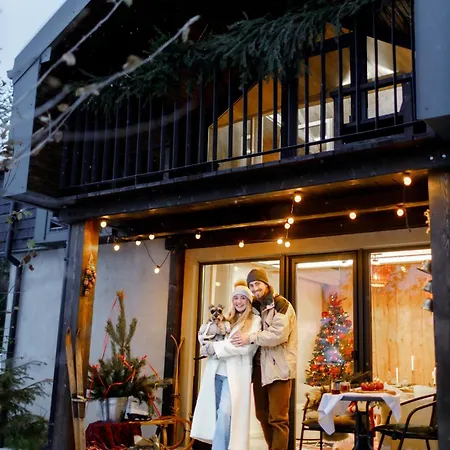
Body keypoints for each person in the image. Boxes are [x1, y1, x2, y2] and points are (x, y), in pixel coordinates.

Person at [230, 268, 297, 450]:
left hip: (278, 369)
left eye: (257, 284)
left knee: (278, 419)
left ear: (266, 283)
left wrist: (250, 338)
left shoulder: (281, 305)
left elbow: (278, 334)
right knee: (262, 415)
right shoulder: (254, 307)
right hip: (259, 369)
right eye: (251, 285)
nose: (255, 288)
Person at [191, 280, 262, 450]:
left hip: (235, 375)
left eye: (242, 298)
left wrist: (215, 348)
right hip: (217, 372)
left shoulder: (255, 320)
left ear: (249, 300)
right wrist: (208, 339)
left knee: (225, 413)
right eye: (236, 298)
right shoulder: (227, 319)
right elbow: (204, 335)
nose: (239, 302)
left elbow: (244, 347)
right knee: (215, 414)